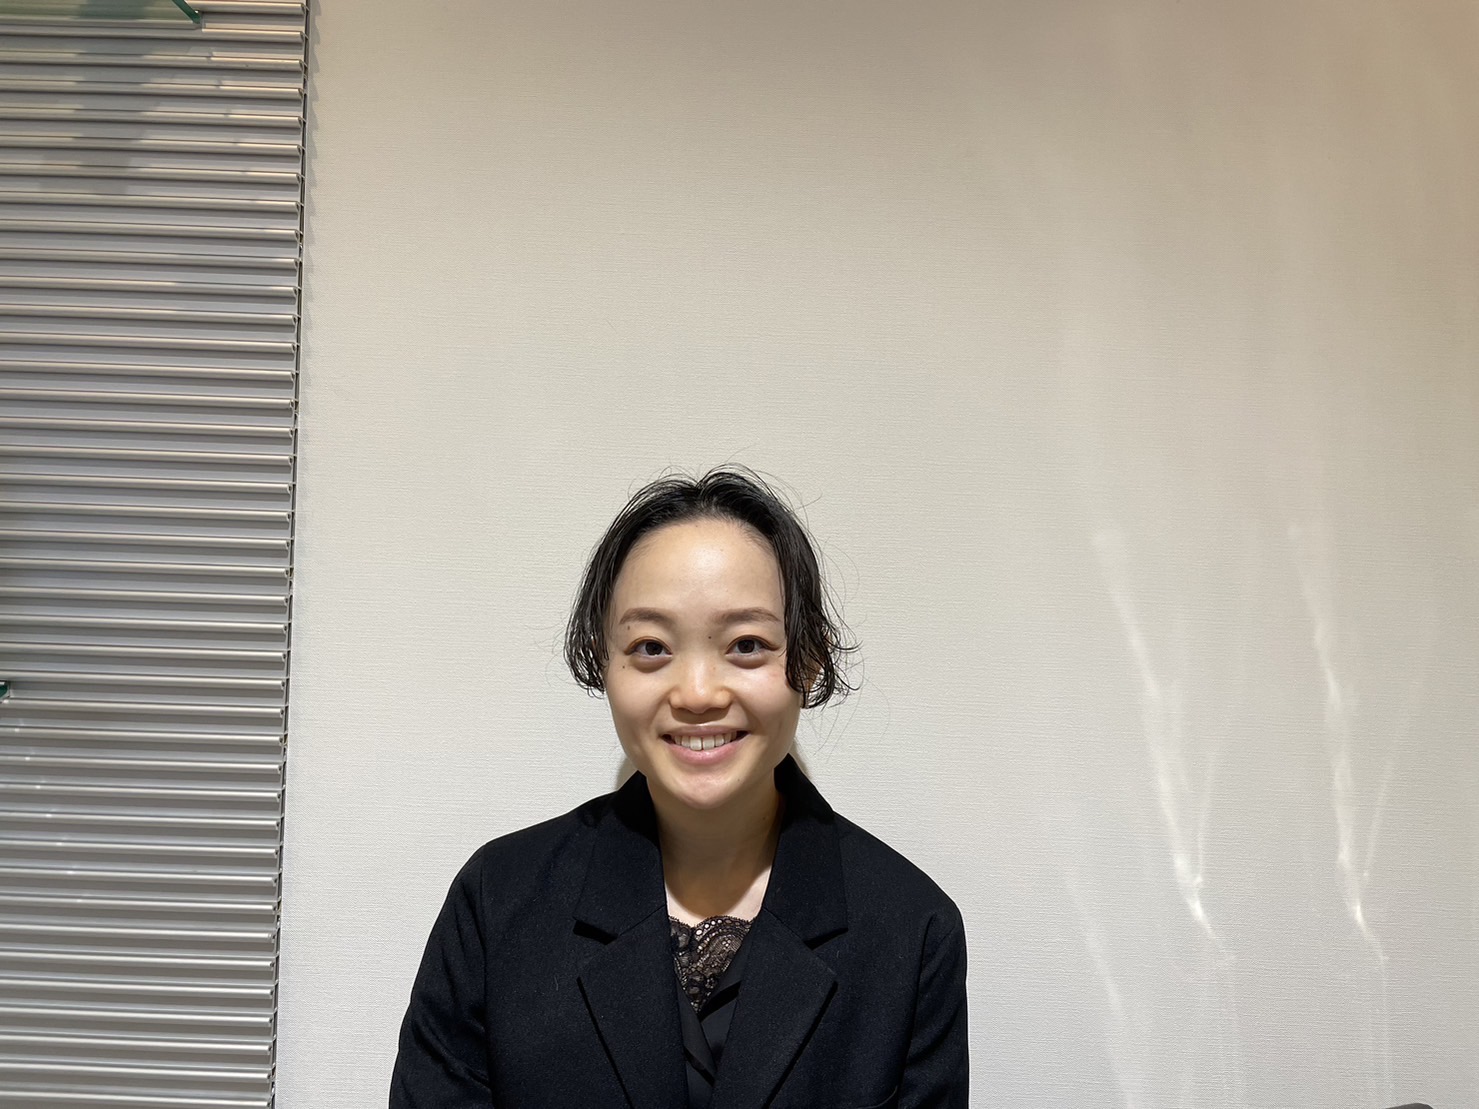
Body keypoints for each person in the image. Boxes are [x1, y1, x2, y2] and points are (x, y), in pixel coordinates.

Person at [389, 468, 968, 1108]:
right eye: (651, 647)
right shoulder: (499, 904)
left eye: (746, 644)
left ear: (807, 661)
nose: (697, 694)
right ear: (602, 661)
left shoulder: (912, 930)